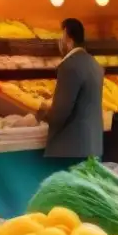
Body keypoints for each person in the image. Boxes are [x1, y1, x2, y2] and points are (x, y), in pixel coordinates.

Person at [41, 18, 103, 161]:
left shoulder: (69, 66)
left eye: (61, 37)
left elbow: (61, 111)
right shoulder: (94, 64)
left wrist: (42, 113)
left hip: (70, 149)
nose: (59, 42)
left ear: (68, 39)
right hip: (93, 145)